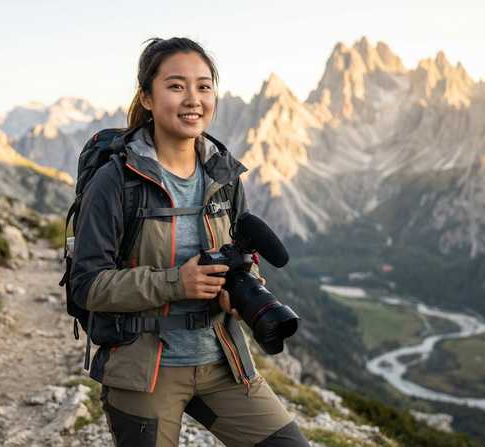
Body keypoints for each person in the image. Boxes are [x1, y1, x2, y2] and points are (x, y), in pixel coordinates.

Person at [69, 37, 309, 447]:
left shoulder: (223, 175)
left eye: (203, 86)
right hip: (145, 372)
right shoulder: (116, 181)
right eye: (176, 86)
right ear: (146, 96)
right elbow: (86, 285)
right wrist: (176, 284)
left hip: (222, 361)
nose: (193, 99)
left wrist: (242, 284)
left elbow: (240, 253)